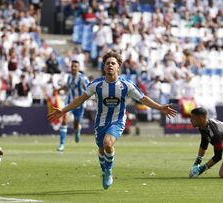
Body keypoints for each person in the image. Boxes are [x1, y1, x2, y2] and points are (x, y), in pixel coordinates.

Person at [48, 51, 177, 189]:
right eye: (107, 63)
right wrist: (63, 110)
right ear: (104, 67)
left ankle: (108, 172)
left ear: (118, 67)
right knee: (101, 149)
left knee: (108, 143)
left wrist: (160, 107)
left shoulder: (126, 85)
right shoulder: (96, 85)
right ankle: (104, 168)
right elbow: (80, 100)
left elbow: (143, 98)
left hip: (117, 121)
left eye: (113, 63)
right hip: (100, 122)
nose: (110, 65)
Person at [54, 60, 89, 151]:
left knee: (76, 124)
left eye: (75, 66)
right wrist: (58, 90)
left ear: (78, 67)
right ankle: (62, 144)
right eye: (72, 66)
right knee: (64, 119)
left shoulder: (82, 78)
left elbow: (89, 88)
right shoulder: (69, 77)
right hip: (69, 102)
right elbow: (67, 87)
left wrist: (85, 98)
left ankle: (77, 130)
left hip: (79, 104)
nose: (73, 68)